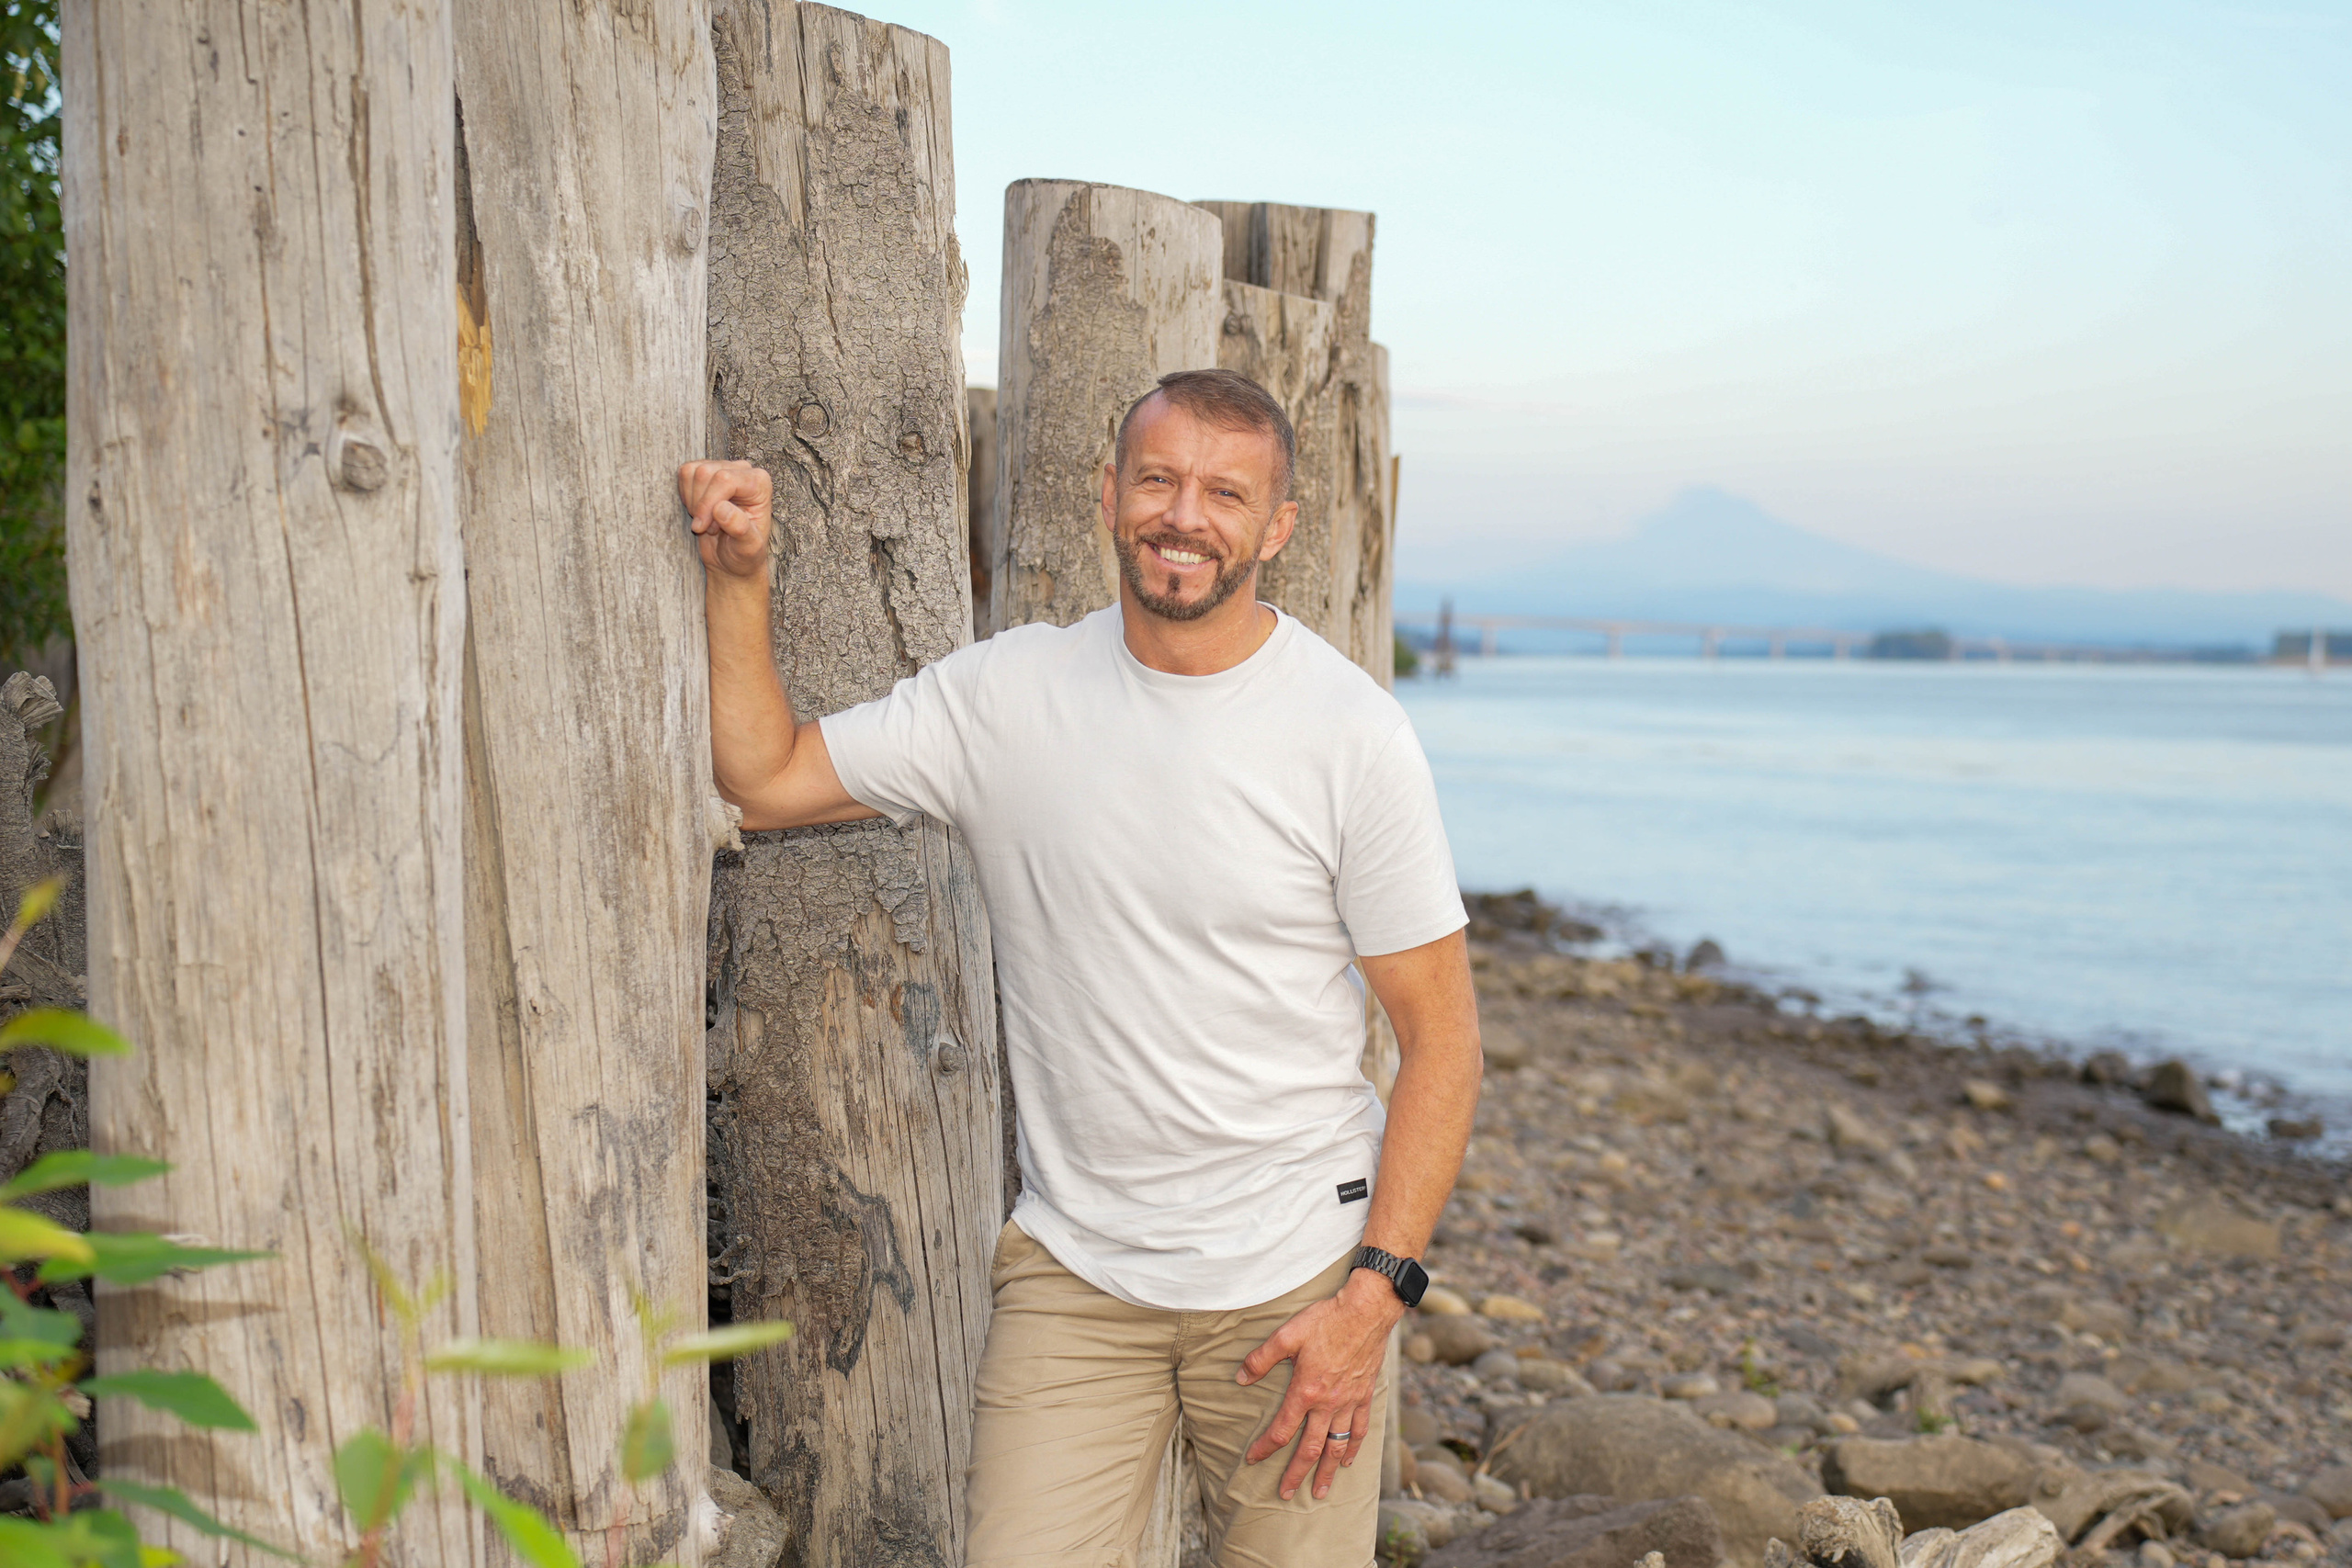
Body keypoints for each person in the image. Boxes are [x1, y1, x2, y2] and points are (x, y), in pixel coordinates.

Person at [679, 367, 1481, 1567]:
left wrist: (1373, 1301)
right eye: (1158, 480)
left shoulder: (1351, 736)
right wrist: (740, 580)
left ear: (1277, 528)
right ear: (1109, 493)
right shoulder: (1008, 697)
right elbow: (766, 777)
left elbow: (1444, 1042)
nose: (1184, 516)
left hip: (1295, 1278)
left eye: (1225, 493)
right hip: (1079, 1274)